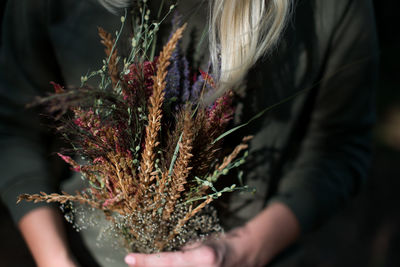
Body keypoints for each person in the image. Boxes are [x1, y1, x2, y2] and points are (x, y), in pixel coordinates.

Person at [0, 0, 378, 266]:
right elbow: (15, 124)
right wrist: (55, 259)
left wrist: (242, 252)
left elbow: (337, 147)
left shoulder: (328, 9)